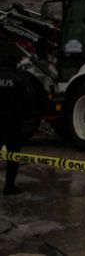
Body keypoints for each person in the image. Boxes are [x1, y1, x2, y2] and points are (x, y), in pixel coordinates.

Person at [0, 44, 28, 196]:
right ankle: (9, 186)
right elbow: (26, 101)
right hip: (13, 123)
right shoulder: (19, 78)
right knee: (13, 156)